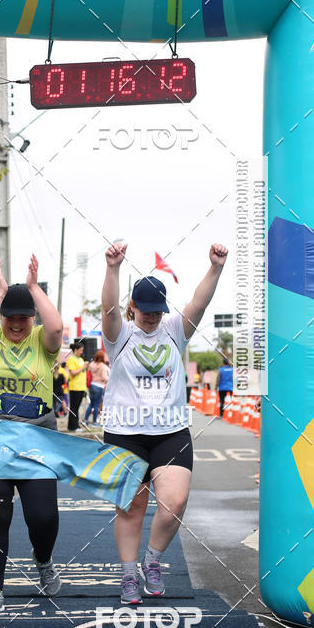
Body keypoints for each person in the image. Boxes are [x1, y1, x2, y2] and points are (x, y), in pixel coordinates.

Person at [101, 241, 228, 603]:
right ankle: (129, 576)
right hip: (124, 433)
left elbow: (199, 303)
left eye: (158, 311)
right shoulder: (120, 335)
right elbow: (108, 309)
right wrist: (112, 268)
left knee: (174, 504)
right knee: (131, 508)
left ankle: (152, 561)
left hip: (170, 432)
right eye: (146, 311)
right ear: (133, 306)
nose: (153, 318)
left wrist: (215, 268)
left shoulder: (174, 329)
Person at [0, 255, 63, 613]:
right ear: (2, 317)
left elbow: (57, 327)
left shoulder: (42, 340)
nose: (17, 323)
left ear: (33, 317)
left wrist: (35, 288)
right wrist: (0, 293)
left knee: (43, 516)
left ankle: (43, 560)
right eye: (11, 317)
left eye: (24, 316)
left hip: (38, 440)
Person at [83, 350, 110, 426]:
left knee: (91, 404)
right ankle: (94, 422)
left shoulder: (92, 364)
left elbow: (89, 373)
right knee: (97, 405)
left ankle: (85, 420)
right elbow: (104, 378)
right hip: (99, 386)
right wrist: (110, 379)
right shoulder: (103, 366)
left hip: (91, 385)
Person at [66, 340, 88, 432]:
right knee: (74, 407)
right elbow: (73, 373)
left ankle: (76, 425)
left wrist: (86, 367)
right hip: (75, 387)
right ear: (75, 350)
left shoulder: (81, 359)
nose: (82, 352)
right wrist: (82, 367)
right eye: (81, 350)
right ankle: (73, 426)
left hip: (81, 387)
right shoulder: (71, 359)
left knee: (77, 407)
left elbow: (83, 372)